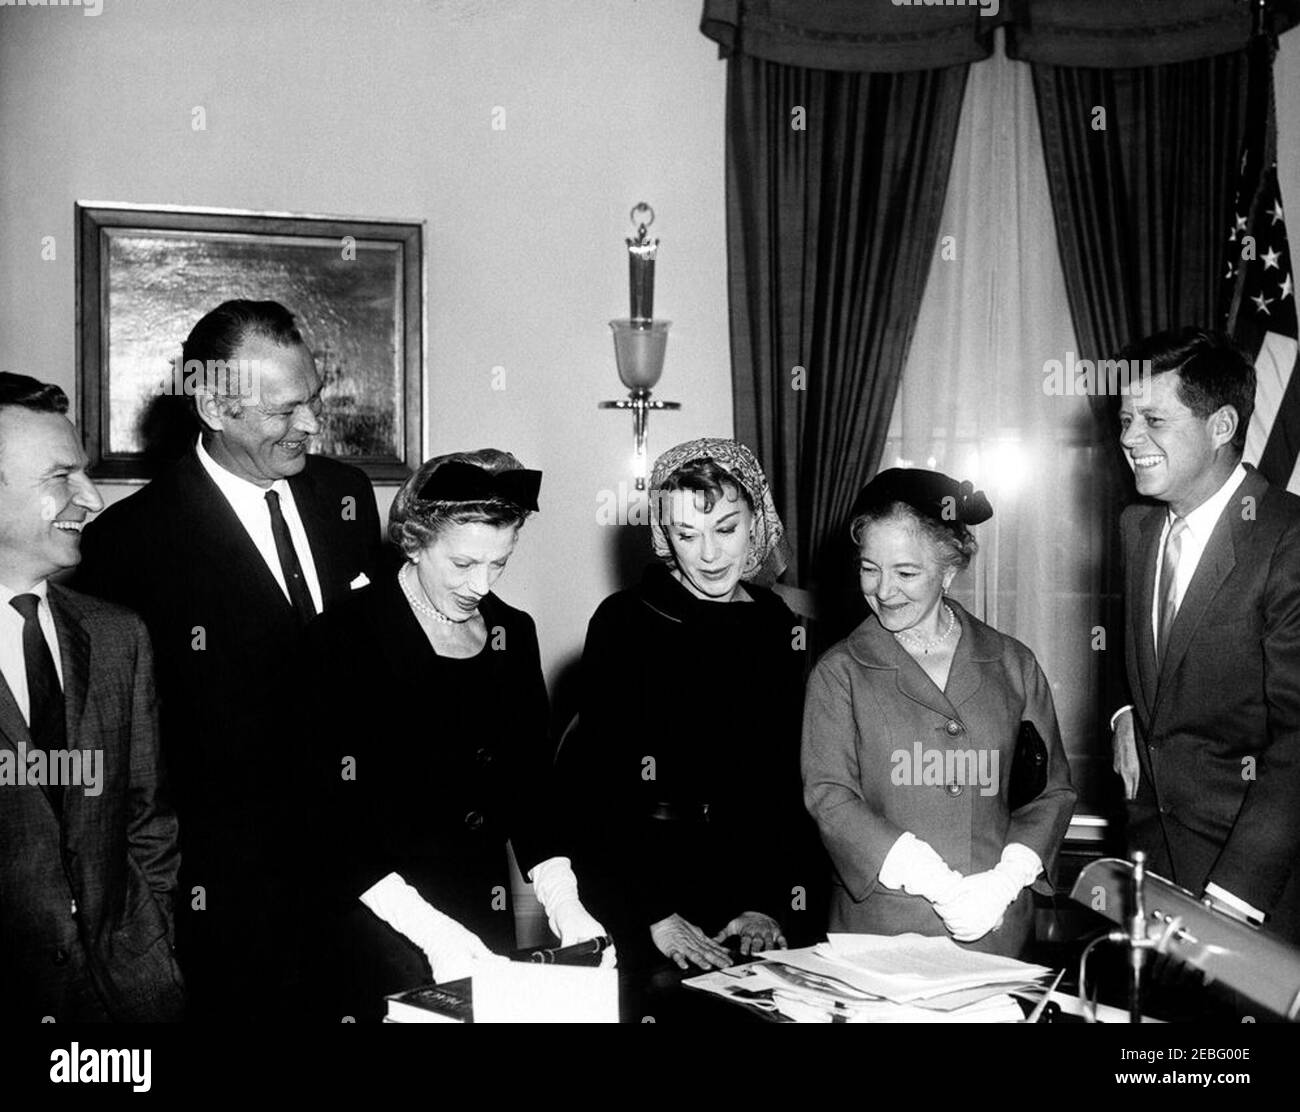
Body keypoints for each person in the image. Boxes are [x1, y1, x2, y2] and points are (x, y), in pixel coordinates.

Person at [73, 300, 382, 1020]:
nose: (310, 426)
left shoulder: (345, 495)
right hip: (232, 904)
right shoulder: (130, 544)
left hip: (367, 881)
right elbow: (124, 758)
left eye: (314, 401)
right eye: (286, 410)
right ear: (214, 405)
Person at [303, 449, 609, 1021]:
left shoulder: (513, 633)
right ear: (415, 541)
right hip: (371, 915)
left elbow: (530, 784)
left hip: (479, 908)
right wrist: (429, 930)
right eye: (464, 564)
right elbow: (325, 819)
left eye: (500, 563)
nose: (481, 584)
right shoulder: (344, 638)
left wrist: (564, 899)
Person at [561, 437, 814, 973]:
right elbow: (594, 788)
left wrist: (766, 903)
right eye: (686, 534)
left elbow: (787, 784)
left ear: (757, 521)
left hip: (751, 894)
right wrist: (651, 911)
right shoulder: (623, 621)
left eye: (726, 529)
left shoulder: (780, 627)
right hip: (643, 889)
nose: (710, 554)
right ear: (663, 534)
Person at [801, 468, 1075, 957]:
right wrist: (934, 880)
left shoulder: (1014, 664)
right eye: (869, 568)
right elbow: (831, 800)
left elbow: (1049, 793)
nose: (884, 591)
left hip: (994, 934)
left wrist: (1004, 882)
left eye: (906, 573)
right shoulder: (838, 672)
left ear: (949, 571)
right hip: (879, 937)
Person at [0, 372, 184, 1022]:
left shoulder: (116, 636)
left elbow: (147, 818)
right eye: (61, 477)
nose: (94, 497)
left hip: (126, 1003)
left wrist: (148, 941)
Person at [1111, 328, 1300, 943]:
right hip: (1153, 872)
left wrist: (1233, 894)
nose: (1128, 439)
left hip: (1257, 893)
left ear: (1221, 426)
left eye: (1153, 421)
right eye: (1125, 419)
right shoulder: (1137, 529)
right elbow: (1144, 659)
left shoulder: (1288, 540)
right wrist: (1123, 714)